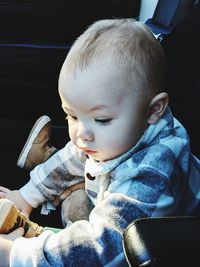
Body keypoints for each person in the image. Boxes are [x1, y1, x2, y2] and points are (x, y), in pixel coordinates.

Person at [0, 18, 200, 267]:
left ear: (153, 110)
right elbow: (73, 156)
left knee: (78, 218)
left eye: (102, 119)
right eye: (71, 115)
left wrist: (13, 255)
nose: (81, 133)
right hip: (108, 197)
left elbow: (104, 248)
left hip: (153, 246)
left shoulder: (151, 174)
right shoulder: (112, 135)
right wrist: (27, 196)